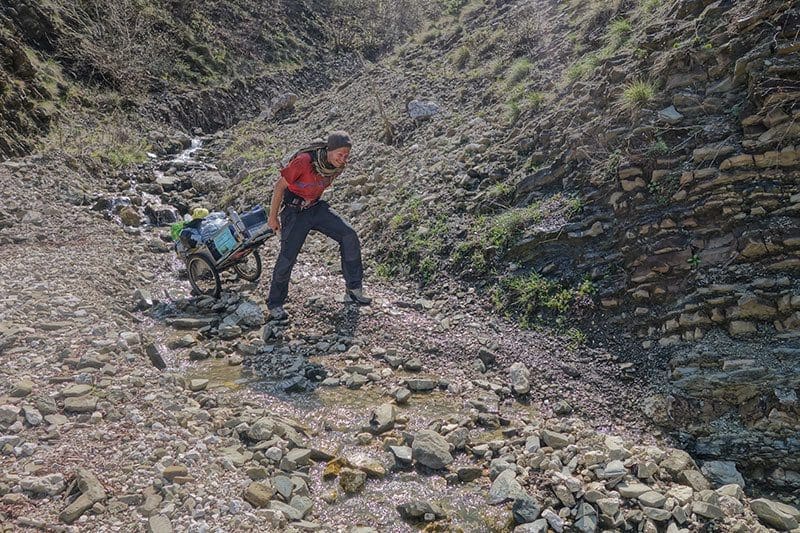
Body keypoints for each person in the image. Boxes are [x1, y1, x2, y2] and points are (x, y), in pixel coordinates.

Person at [265, 130, 371, 320]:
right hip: (294, 211)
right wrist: (272, 218)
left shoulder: (337, 166)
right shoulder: (304, 161)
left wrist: (312, 199)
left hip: (315, 207)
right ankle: (275, 303)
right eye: (340, 154)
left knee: (349, 235)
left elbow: (320, 185)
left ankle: (354, 289)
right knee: (287, 256)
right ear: (329, 150)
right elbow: (279, 186)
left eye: (347, 155)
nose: (343, 158)